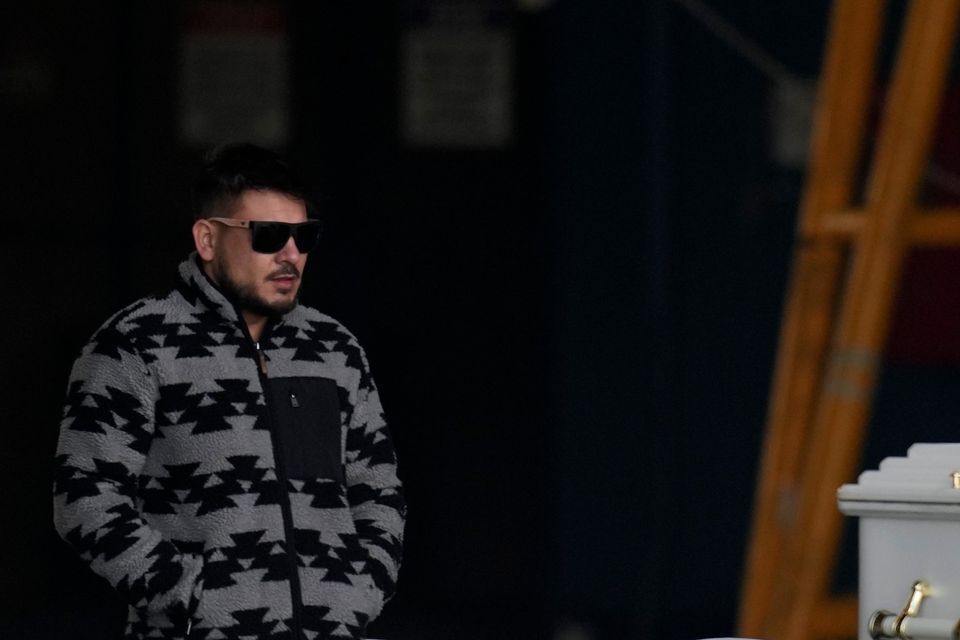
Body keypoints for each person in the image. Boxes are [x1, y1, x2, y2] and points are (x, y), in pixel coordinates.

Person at [53, 143, 405, 640]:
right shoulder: (135, 344)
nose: (291, 254)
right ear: (207, 239)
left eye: (304, 236)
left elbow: (378, 488)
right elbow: (85, 499)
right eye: (268, 235)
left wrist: (360, 592)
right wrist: (190, 598)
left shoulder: (334, 350)